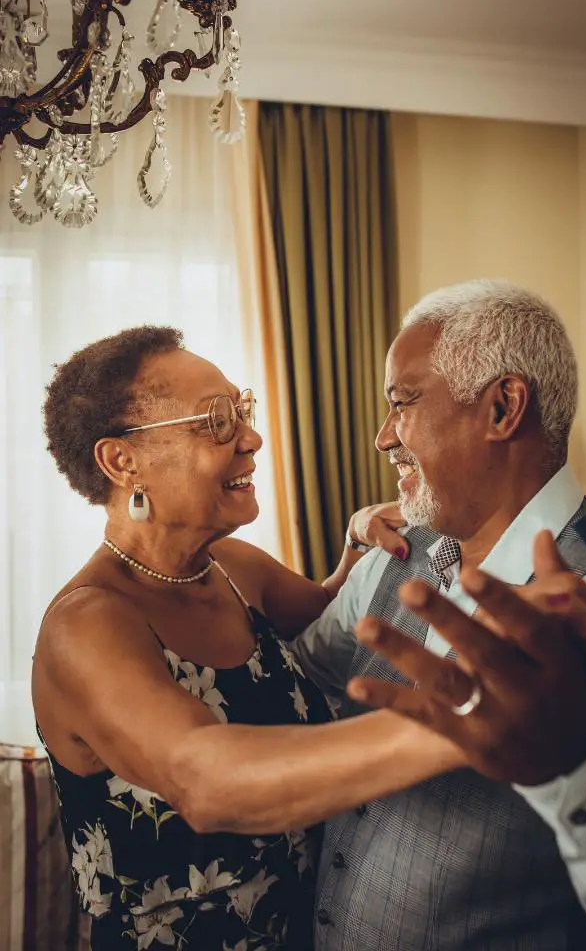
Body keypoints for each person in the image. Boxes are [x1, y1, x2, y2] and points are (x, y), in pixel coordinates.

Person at [32, 326, 470, 951]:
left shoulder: (235, 568)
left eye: (240, 409)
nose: (252, 436)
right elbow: (206, 783)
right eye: (214, 420)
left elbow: (331, 618)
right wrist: (465, 720)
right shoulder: (86, 626)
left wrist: (356, 542)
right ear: (122, 461)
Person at [292, 280, 586, 951]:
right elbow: (294, 679)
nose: (381, 438)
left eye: (402, 403)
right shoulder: (389, 557)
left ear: (503, 407)